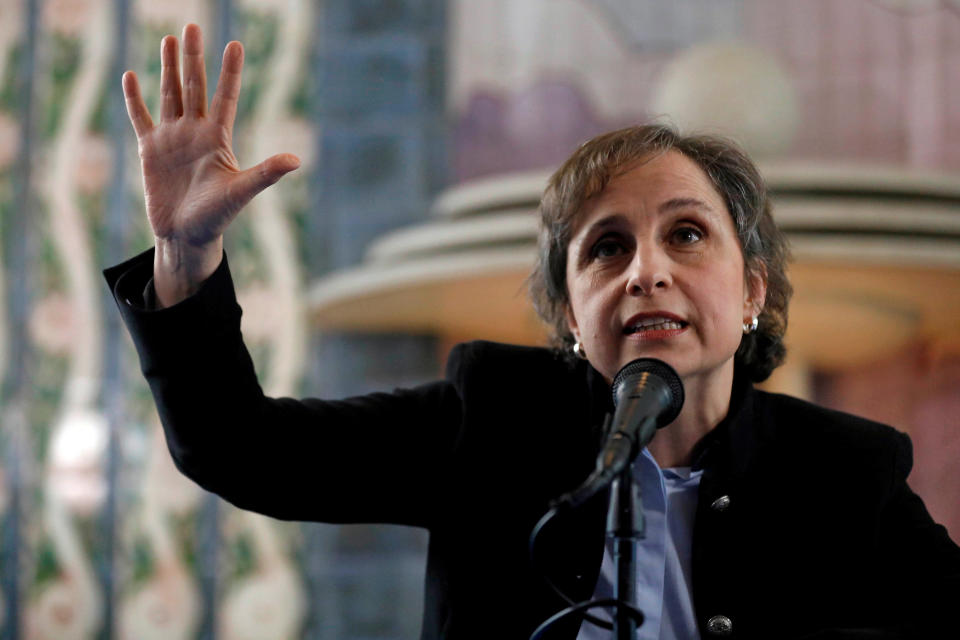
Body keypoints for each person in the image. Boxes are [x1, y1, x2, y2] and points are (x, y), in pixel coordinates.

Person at [106, 24, 960, 640]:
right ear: (570, 316)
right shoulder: (488, 421)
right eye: (608, 248)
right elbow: (237, 446)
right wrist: (186, 251)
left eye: (688, 233)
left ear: (752, 291)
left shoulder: (852, 471)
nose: (646, 271)